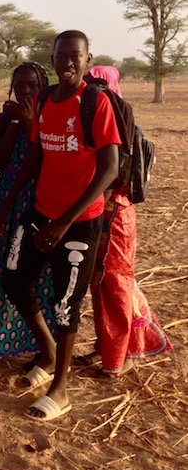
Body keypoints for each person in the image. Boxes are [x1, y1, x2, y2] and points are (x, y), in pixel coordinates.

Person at [0, 30, 120, 421]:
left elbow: (110, 168)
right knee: (13, 278)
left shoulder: (95, 103)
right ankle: (47, 352)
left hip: (79, 222)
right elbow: (35, 153)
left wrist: (65, 222)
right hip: (40, 212)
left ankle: (60, 389)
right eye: (61, 56)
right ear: (52, 57)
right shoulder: (46, 99)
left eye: (75, 57)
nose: (67, 62)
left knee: (66, 304)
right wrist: (9, 203)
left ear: (86, 58)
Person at [82, 65, 172, 378]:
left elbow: (117, 177)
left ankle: (115, 359)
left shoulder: (124, 125)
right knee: (99, 285)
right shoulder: (96, 121)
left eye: (98, 86)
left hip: (116, 215)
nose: (93, 92)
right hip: (101, 212)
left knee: (116, 285)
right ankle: (103, 347)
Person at [0, 62, 56, 359]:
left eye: (32, 85)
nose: (25, 90)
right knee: (0, 271)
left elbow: (43, 158)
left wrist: (29, 122)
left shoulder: (52, 117)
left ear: (43, 86)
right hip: (3, 201)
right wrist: (15, 123)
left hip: (37, 202)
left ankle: (42, 346)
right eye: (20, 85)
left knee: (38, 277)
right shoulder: (3, 120)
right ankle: (2, 344)